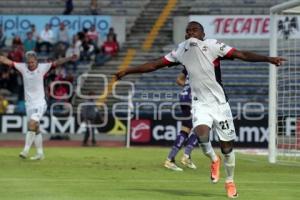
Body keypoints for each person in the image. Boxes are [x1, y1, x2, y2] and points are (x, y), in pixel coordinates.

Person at [114, 21, 286, 198]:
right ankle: (213, 159)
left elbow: (242, 54)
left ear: (203, 34)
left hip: (220, 105)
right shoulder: (181, 50)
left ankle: (230, 181)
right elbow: (154, 64)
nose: (190, 33)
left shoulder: (213, 46)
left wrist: (268, 59)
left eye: (194, 30)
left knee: (227, 147)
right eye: (187, 31)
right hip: (200, 104)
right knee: (202, 133)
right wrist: (128, 70)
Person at [0, 51, 77, 160]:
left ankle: (25, 151)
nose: (30, 64)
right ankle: (40, 154)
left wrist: (69, 57)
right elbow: (5, 61)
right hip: (29, 104)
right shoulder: (22, 67)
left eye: (32, 62)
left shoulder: (43, 67)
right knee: (36, 129)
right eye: (28, 62)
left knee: (32, 124)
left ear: (36, 61)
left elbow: (57, 62)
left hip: (40, 103)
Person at [164, 69, 206, 171]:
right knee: (202, 127)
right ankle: (184, 156)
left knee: (186, 128)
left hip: (184, 96)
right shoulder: (203, 62)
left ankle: (172, 159)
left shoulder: (189, 62)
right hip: (193, 98)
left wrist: (187, 88)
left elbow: (179, 80)